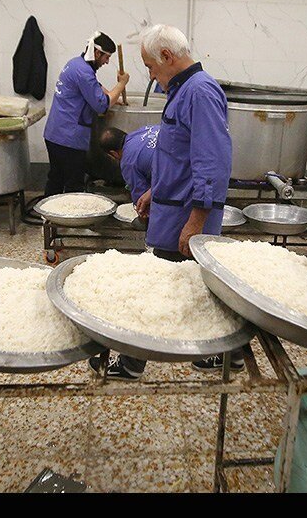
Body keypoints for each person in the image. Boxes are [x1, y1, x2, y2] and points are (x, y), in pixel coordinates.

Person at [90, 24, 242, 381]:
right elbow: (177, 154)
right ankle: (230, 356)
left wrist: (196, 221)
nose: (150, 75)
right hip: (172, 206)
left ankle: (130, 364)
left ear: (167, 56)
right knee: (199, 286)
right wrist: (153, 191)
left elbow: (212, 161)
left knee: (159, 286)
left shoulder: (199, 92)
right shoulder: (184, 90)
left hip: (184, 215)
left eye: (150, 66)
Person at [42, 32, 130, 197]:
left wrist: (113, 95)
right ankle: (71, 213)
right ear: (97, 53)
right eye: (106, 57)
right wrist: (121, 84)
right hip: (69, 139)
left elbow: (94, 86)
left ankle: (47, 212)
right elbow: (101, 105)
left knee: (55, 179)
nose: (107, 62)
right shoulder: (84, 72)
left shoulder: (75, 64)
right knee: (74, 185)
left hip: (54, 134)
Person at [98, 124, 160, 209]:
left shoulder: (128, 162)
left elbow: (142, 200)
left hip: (175, 178)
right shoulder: (145, 129)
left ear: (114, 153)